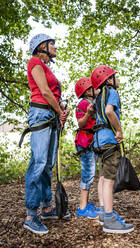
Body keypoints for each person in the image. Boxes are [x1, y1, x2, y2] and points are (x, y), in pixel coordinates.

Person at [23, 33, 70, 234]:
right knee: (39, 162)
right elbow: (44, 91)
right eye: (53, 44)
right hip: (41, 115)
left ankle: (47, 207)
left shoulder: (47, 67)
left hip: (50, 116)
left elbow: (53, 95)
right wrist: (59, 111)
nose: (55, 48)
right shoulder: (35, 62)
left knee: (48, 165)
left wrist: (61, 109)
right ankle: (30, 215)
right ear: (42, 46)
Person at [91, 65, 134, 233]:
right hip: (109, 141)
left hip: (99, 142)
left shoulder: (99, 96)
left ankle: (103, 212)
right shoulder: (112, 93)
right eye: (115, 76)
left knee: (102, 178)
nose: (118, 79)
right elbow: (110, 112)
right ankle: (109, 219)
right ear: (109, 80)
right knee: (109, 181)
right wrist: (119, 130)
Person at [74, 77, 100, 218]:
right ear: (88, 91)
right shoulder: (84, 104)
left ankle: (86, 203)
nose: (97, 89)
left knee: (90, 173)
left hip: (89, 143)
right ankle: (82, 207)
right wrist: (89, 114)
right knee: (88, 174)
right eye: (94, 87)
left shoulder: (90, 102)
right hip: (85, 143)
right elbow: (80, 124)